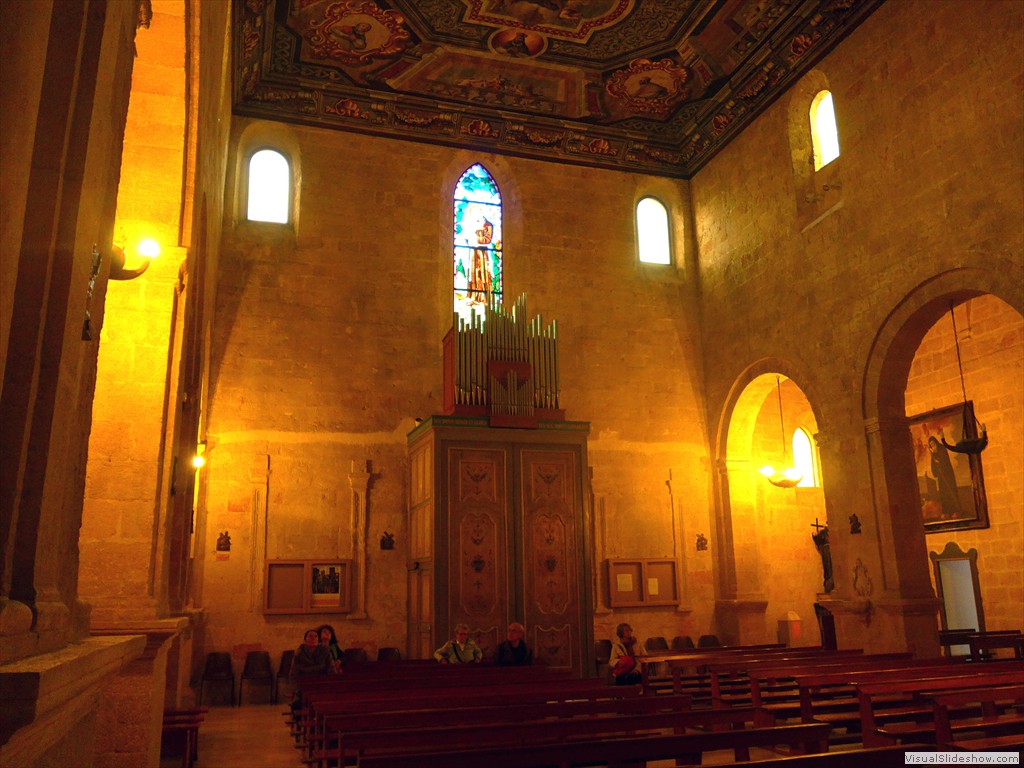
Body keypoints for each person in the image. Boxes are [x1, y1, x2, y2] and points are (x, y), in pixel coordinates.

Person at [289, 628, 335, 711]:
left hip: (322, 684)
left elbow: (331, 670)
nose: (313, 638)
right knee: (297, 704)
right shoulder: (299, 653)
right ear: (305, 641)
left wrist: (331, 685)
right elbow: (293, 673)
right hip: (305, 685)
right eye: (310, 636)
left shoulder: (325, 651)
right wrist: (296, 688)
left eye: (315, 636)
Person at [928, 435, 962, 519]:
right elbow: (933, 465)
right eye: (931, 445)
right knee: (943, 494)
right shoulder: (933, 453)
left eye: (933, 443)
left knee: (951, 492)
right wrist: (934, 458)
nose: (933, 445)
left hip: (947, 475)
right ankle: (946, 511)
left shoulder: (942, 449)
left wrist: (938, 460)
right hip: (941, 477)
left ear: (936, 442)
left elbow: (944, 461)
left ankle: (956, 511)